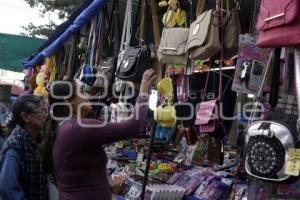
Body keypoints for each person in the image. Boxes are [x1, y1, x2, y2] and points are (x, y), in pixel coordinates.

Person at [42, 69, 156, 200]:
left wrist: (104, 180)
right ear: (70, 101)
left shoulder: (62, 128)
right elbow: (133, 126)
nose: (88, 95)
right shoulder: (77, 128)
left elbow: (80, 169)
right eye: (83, 92)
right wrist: (144, 92)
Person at [0, 95, 49, 200]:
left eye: (47, 110)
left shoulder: (39, 140)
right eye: (43, 111)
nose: (47, 115)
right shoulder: (14, 147)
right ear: (26, 117)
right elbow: (7, 188)